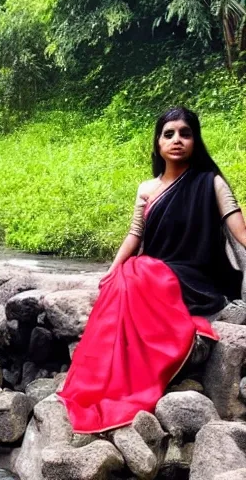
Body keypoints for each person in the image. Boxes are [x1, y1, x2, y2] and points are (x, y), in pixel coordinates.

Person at [58, 107, 246, 434]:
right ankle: (100, 383)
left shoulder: (210, 182)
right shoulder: (147, 188)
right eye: (168, 134)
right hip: (154, 270)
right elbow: (135, 235)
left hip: (193, 277)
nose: (177, 140)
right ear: (158, 143)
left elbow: (240, 232)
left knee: (138, 274)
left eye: (185, 134)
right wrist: (112, 269)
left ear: (195, 140)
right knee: (123, 279)